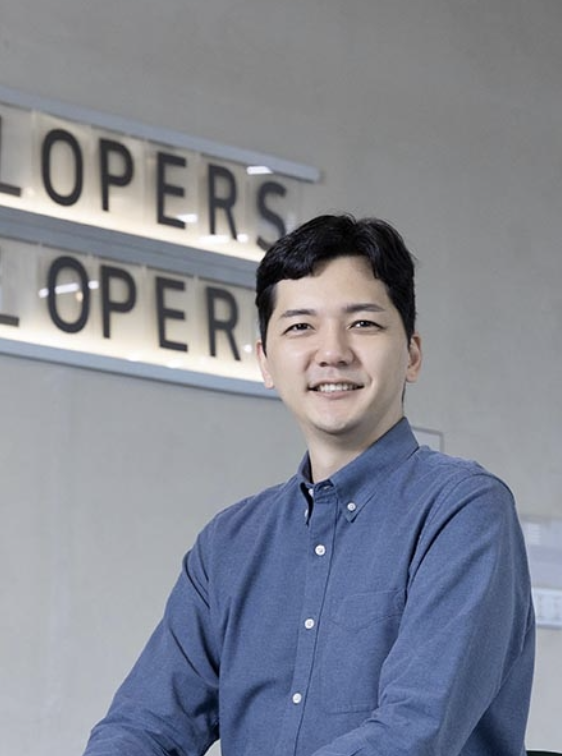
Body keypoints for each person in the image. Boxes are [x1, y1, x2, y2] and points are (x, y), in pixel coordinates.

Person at [82, 214, 535, 756]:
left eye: (363, 324)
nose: (332, 352)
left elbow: (413, 735)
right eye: (300, 326)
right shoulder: (229, 544)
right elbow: (145, 724)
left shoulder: (463, 512)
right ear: (265, 361)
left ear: (412, 354)